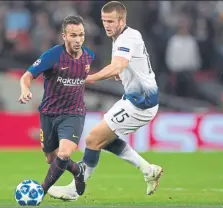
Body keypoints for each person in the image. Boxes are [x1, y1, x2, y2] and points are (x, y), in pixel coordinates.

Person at [47, 1, 163, 201]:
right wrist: (120, 73)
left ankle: (75, 190)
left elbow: (117, 66)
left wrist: (88, 78)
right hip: (133, 99)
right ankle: (148, 170)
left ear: (122, 20)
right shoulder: (119, 38)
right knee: (102, 140)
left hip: (141, 104)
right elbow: (122, 67)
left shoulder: (128, 37)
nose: (107, 25)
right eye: (104, 21)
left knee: (93, 138)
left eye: (111, 21)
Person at [18, 15, 96, 198]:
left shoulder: (88, 57)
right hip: (49, 113)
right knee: (51, 158)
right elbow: (27, 76)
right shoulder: (52, 55)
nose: (78, 40)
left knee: (64, 153)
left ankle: (40, 192)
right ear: (64, 36)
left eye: (81, 35)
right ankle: (78, 171)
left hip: (74, 113)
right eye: (73, 35)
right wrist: (24, 90)